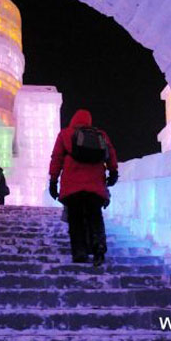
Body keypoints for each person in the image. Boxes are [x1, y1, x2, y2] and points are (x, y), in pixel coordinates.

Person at [48, 109, 118, 266]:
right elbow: (111, 153)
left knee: (76, 219)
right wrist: (113, 172)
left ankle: (79, 252)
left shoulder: (65, 134)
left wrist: (53, 180)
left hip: (73, 186)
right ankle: (98, 246)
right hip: (95, 186)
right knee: (95, 216)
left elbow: (57, 157)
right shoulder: (100, 134)